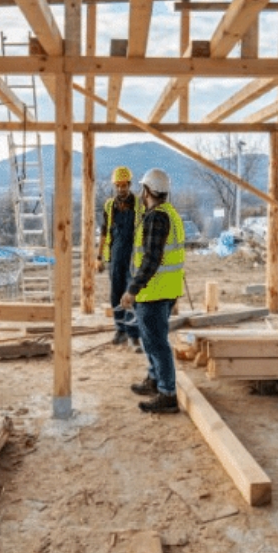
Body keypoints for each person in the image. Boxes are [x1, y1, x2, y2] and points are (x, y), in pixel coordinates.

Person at [119, 167, 185, 414]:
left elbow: (151, 259)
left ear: (146, 190)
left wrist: (132, 290)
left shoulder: (157, 217)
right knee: (151, 341)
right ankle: (154, 379)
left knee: (156, 343)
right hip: (164, 290)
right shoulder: (170, 213)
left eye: (141, 189)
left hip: (153, 292)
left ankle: (167, 393)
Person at [98, 165, 141, 348]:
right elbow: (104, 232)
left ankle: (133, 334)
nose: (121, 188)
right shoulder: (109, 205)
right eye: (118, 185)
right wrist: (98, 257)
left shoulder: (139, 204)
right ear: (115, 185)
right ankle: (120, 329)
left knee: (131, 294)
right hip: (115, 256)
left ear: (129, 184)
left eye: (124, 185)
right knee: (116, 294)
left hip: (133, 256)